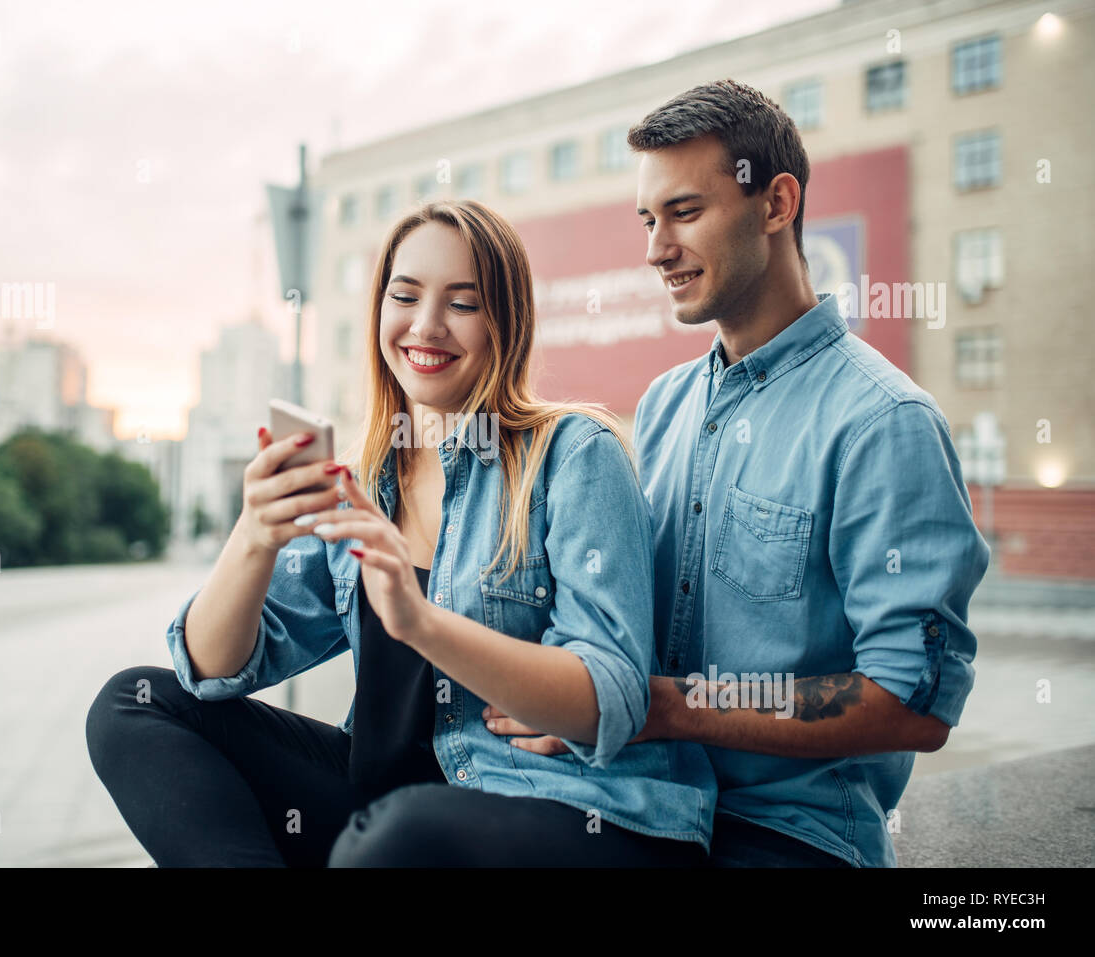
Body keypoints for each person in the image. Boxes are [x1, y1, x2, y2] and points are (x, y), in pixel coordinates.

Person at [86, 199, 717, 867]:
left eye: (463, 303)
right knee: (133, 703)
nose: (426, 325)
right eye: (405, 295)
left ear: (505, 320)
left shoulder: (571, 454)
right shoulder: (359, 478)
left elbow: (610, 699)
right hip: (388, 806)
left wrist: (419, 620)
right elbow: (214, 670)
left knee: (392, 838)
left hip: (567, 808)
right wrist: (255, 534)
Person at [483, 79, 991, 868]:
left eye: (684, 212)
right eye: (649, 220)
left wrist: (664, 709)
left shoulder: (884, 422)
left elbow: (909, 705)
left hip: (789, 834)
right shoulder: (664, 403)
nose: (655, 248)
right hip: (638, 798)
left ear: (776, 202)